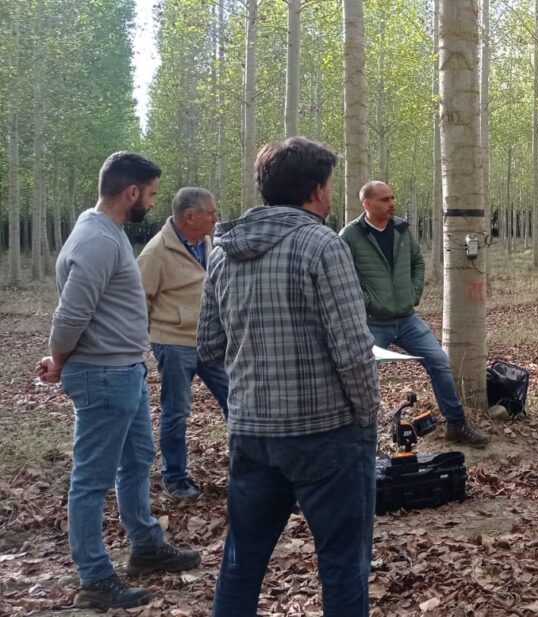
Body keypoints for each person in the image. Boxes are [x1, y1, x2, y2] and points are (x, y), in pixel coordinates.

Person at [199, 138, 381, 614]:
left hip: (252, 432)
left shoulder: (223, 252)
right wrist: (366, 416)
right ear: (317, 191)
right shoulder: (322, 244)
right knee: (343, 563)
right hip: (326, 433)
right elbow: (354, 350)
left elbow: (208, 346)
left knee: (242, 561)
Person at [37, 152, 200, 609]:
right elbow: (70, 314)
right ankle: (94, 577)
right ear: (131, 192)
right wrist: (60, 358)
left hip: (122, 371)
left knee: (136, 460)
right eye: (150, 194)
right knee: (92, 479)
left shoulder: (105, 233)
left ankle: (146, 545)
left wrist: (62, 357)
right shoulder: (98, 240)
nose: (151, 202)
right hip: (104, 374)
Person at [340, 180, 489, 447]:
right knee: (364, 378)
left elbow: (417, 262)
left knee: (438, 362)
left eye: (392, 197)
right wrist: (368, 302)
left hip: (407, 319)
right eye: (384, 199)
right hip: (373, 323)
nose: (392, 203)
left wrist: (413, 293)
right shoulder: (349, 236)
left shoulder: (401, 228)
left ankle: (456, 424)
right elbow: (343, 278)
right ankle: (362, 440)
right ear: (367, 203)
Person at [138, 187, 230, 501]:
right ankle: (175, 479)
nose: (215, 218)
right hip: (174, 344)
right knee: (176, 412)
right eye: (210, 213)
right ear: (190, 217)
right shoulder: (155, 253)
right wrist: (148, 342)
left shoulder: (208, 242)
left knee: (237, 401)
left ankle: (249, 468)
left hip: (210, 342)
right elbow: (139, 303)